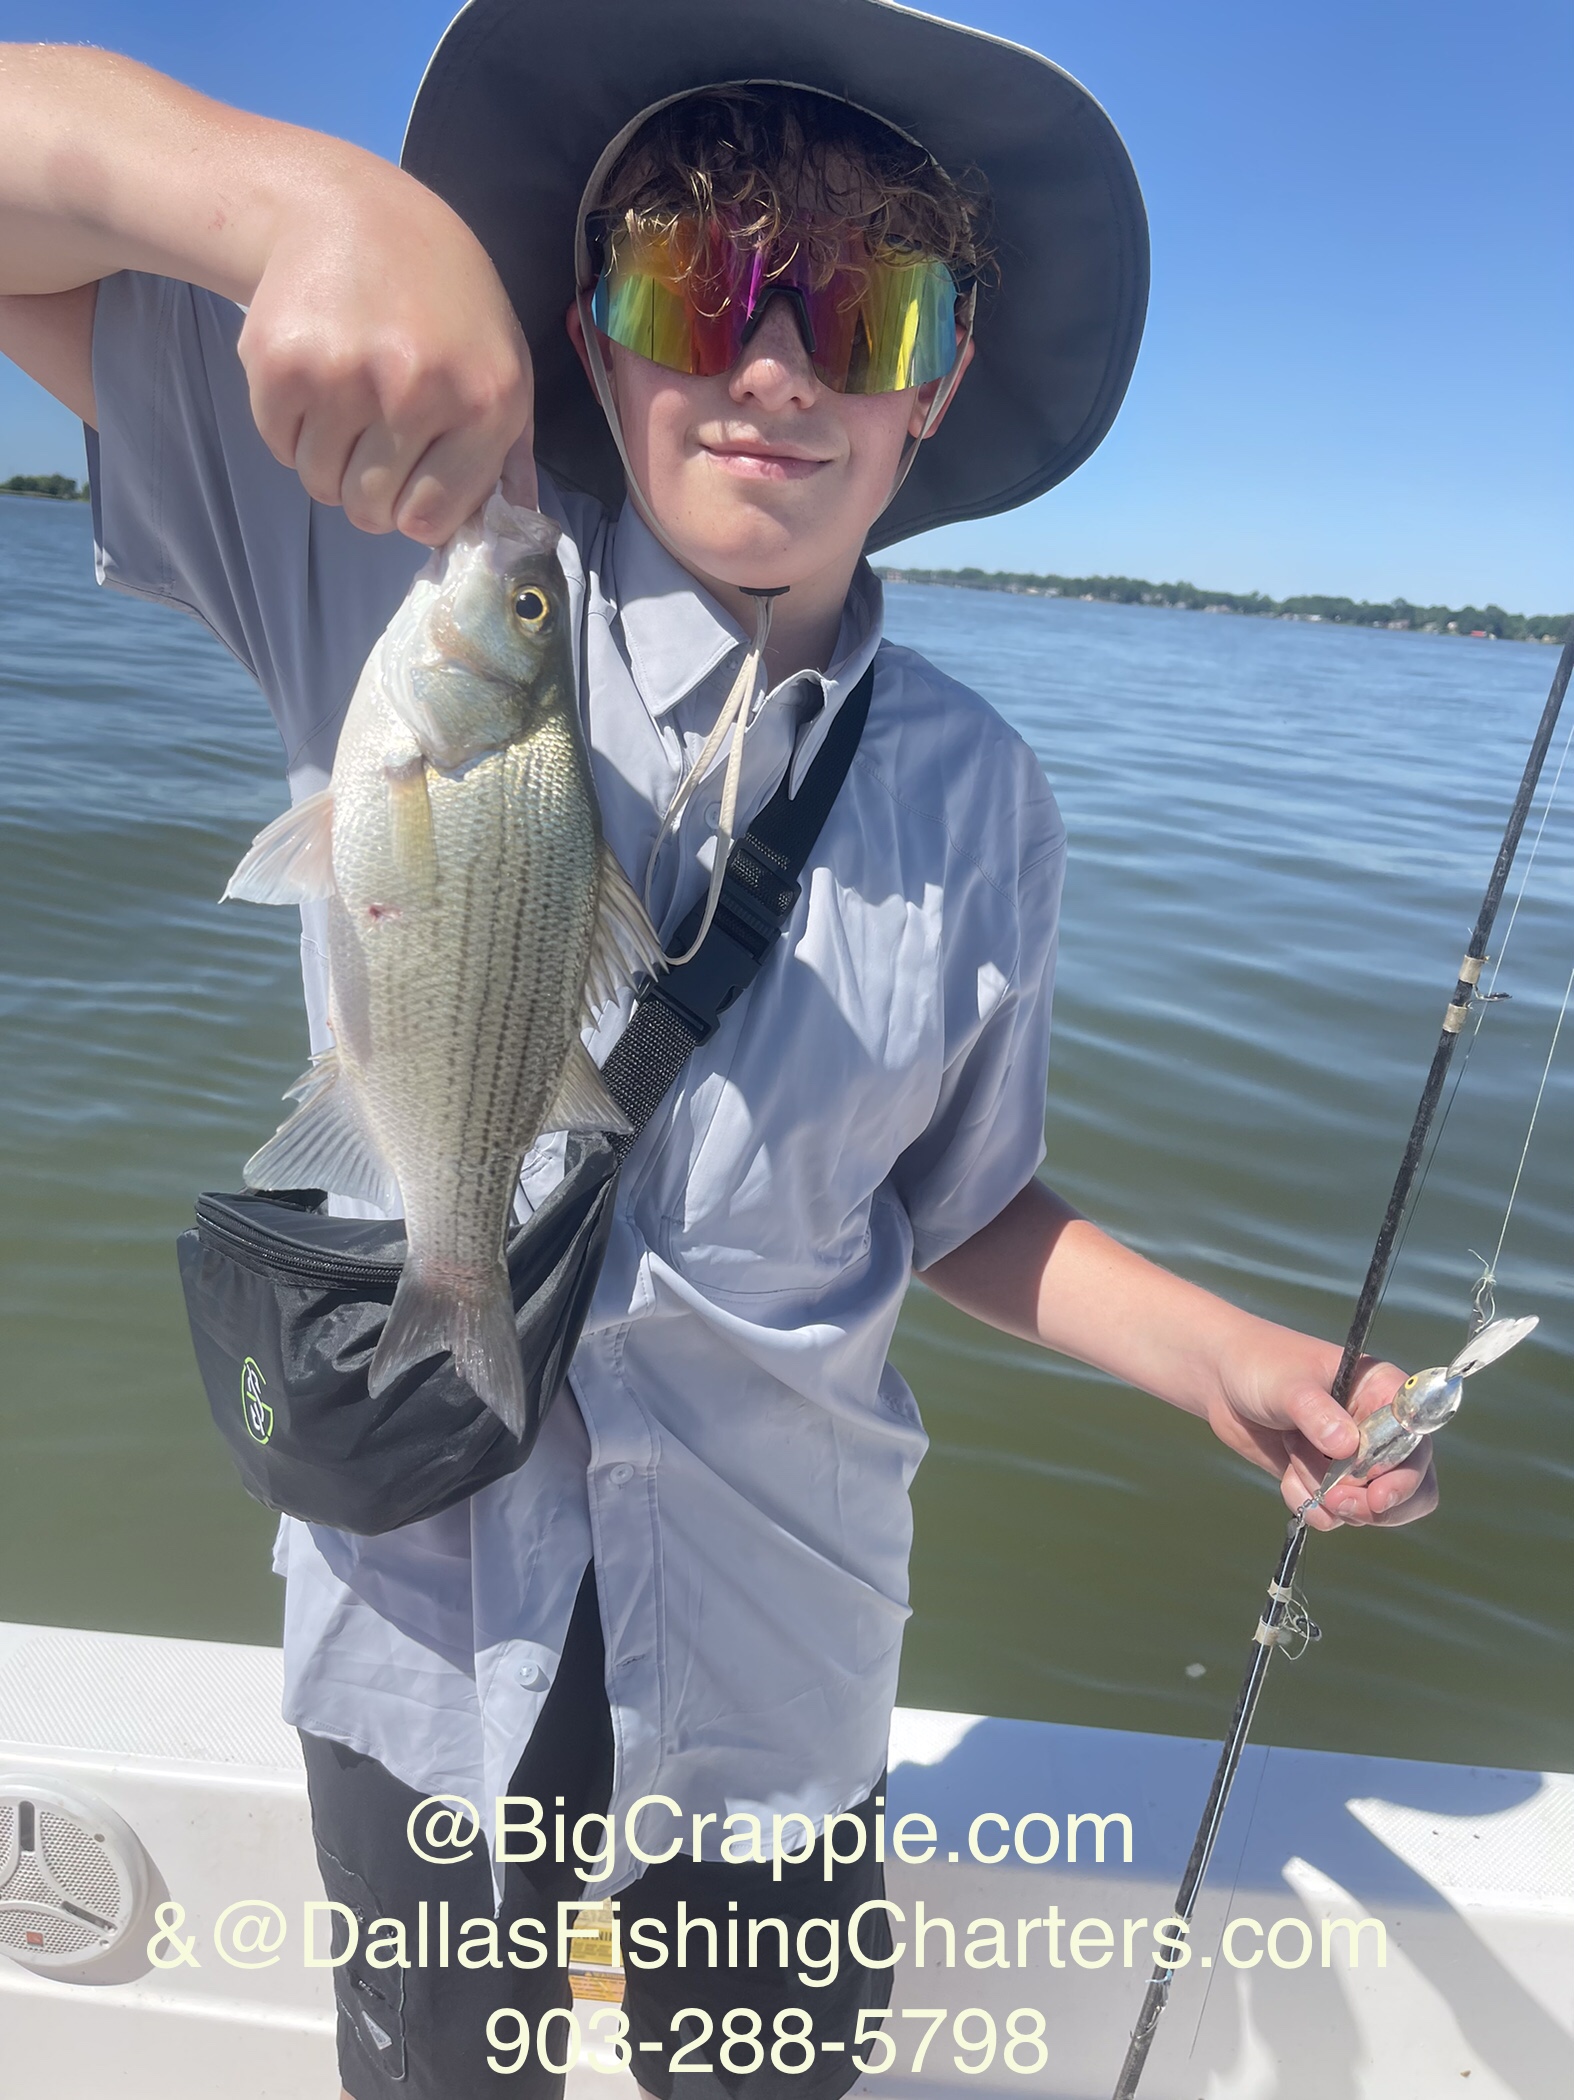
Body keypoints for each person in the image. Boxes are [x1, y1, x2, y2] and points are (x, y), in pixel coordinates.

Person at [0, 6, 1436, 2097]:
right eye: (699, 284)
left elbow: (957, 1206)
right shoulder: (408, 562)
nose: (775, 363)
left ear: (933, 383)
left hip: (780, 1649)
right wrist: (304, 205)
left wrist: (1224, 1360)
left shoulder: (980, 797)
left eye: (865, 307)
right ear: (589, 331)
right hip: (421, 1606)